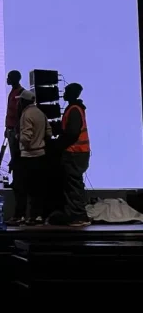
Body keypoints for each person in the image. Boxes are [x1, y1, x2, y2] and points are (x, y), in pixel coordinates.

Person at [57, 82, 90, 227]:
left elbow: (72, 133)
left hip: (75, 153)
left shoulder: (74, 110)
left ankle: (78, 216)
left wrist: (59, 145)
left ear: (71, 94)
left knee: (74, 186)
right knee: (74, 184)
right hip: (78, 152)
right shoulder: (75, 108)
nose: (63, 94)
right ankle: (77, 214)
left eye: (66, 91)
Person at [16, 89, 49, 225]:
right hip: (41, 154)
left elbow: (26, 137)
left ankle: (25, 216)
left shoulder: (26, 114)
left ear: (24, 101)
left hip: (28, 155)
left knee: (25, 187)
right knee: (38, 188)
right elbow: (49, 132)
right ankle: (38, 215)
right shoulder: (41, 113)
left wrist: (18, 137)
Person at [4, 70, 27, 224]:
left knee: (17, 160)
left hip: (16, 133)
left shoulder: (20, 93)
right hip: (11, 131)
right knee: (14, 158)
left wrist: (15, 130)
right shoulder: (13, 92)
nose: (7, 79)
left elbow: (19, 115)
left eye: (9, 77)